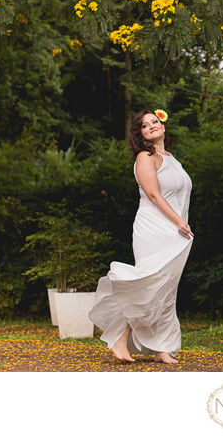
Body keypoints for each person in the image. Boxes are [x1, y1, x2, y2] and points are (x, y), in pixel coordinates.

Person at [89, 109, 193, 364]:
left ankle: (161, 348)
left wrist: (180, 224)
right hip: (156, 229)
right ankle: (119, 338)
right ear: (141, 135)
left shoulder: (170, 158)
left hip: (175, 231)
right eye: (145, 126)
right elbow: (154, 195)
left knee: (167, 290)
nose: (152, 126)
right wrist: (179, 221)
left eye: (155, 122)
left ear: (163, 126)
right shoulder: (145, 157)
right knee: (149, 285)